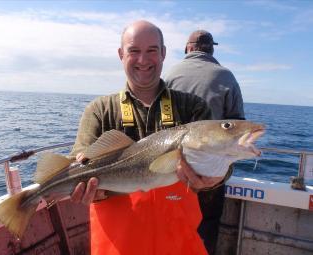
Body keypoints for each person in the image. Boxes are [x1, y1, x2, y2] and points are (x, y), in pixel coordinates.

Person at [69, 21, 228, 255]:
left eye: (152, 50)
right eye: (134, 51)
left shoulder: (193, 108)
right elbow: (78, 159)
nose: (143, 60)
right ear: (121, 54)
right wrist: (85, 187)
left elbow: (220, 164)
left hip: (179, 244)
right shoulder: (100, 110)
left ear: (163, 53)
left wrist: (215, 178)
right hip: (117, 246)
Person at [164, 30, 245, 255]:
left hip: (172, 169)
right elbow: (237, 127)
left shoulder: (170, 74)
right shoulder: (226, 76)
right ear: (211, 49)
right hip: (211, 173)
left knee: (169, 225)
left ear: (188, 48)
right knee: (206, 226)